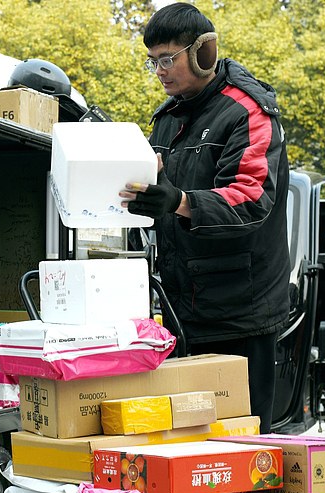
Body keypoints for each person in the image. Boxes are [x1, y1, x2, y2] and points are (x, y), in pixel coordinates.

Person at [119, 3, 290, 434]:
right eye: (152, 61)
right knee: (190, 445)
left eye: (167, 59)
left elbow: (251, 198)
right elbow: (157, 196)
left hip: (241, 310)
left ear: (204, 52)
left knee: (242, 444)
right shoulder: (167, 118)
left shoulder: (248, 111)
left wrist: (179, 202)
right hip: (181, 311)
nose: (159, 70)